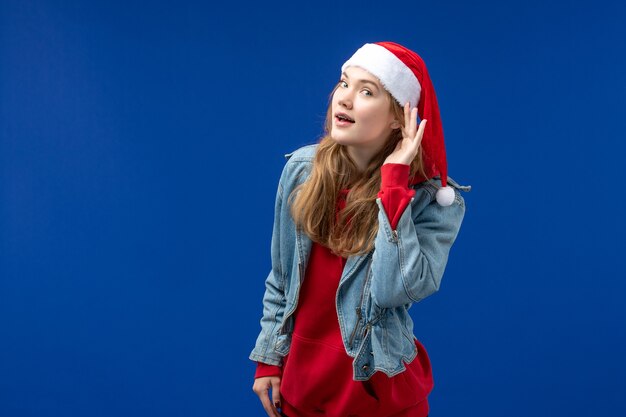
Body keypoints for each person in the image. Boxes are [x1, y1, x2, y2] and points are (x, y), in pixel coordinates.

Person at [250, 41, 470, 417]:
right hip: (301, 389)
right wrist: (269, 357)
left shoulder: (433, 203)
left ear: (399, 118)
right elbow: (283, 278)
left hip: (378, 394)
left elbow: (392, 290)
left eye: (366, 91)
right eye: (343, 83)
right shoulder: (301, 171)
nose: (344, 99)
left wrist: (394, 185)